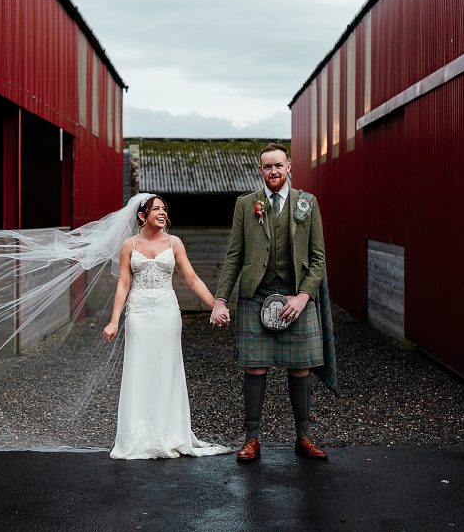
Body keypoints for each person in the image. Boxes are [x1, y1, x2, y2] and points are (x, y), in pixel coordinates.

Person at [210, 142, 336, 461]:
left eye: (279, 165)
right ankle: (252, 439)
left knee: (300, 367)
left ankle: (304, 437)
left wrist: (304, 296)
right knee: (254, 368)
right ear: (260, 170)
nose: (274, 171)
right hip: (256, 294)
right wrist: (220, 299)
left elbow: (318, 259)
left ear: (289, 167)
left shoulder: (307, 203)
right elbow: (234, 256)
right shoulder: (245, 204)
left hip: (297, 294)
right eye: (268, 166)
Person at [102, 195, 231, 460]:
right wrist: (114, 321)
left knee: (167, 368)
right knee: (139, 369)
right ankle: (138, 435)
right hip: (138, 312)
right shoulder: (129, 245)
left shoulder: (175, 243)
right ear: (142, 215)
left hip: (166, 312)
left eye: (164, 209)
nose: (162, 213)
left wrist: (215, 305)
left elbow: (192, 279)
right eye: (156, 209)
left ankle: (169, 431)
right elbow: (123, 284)